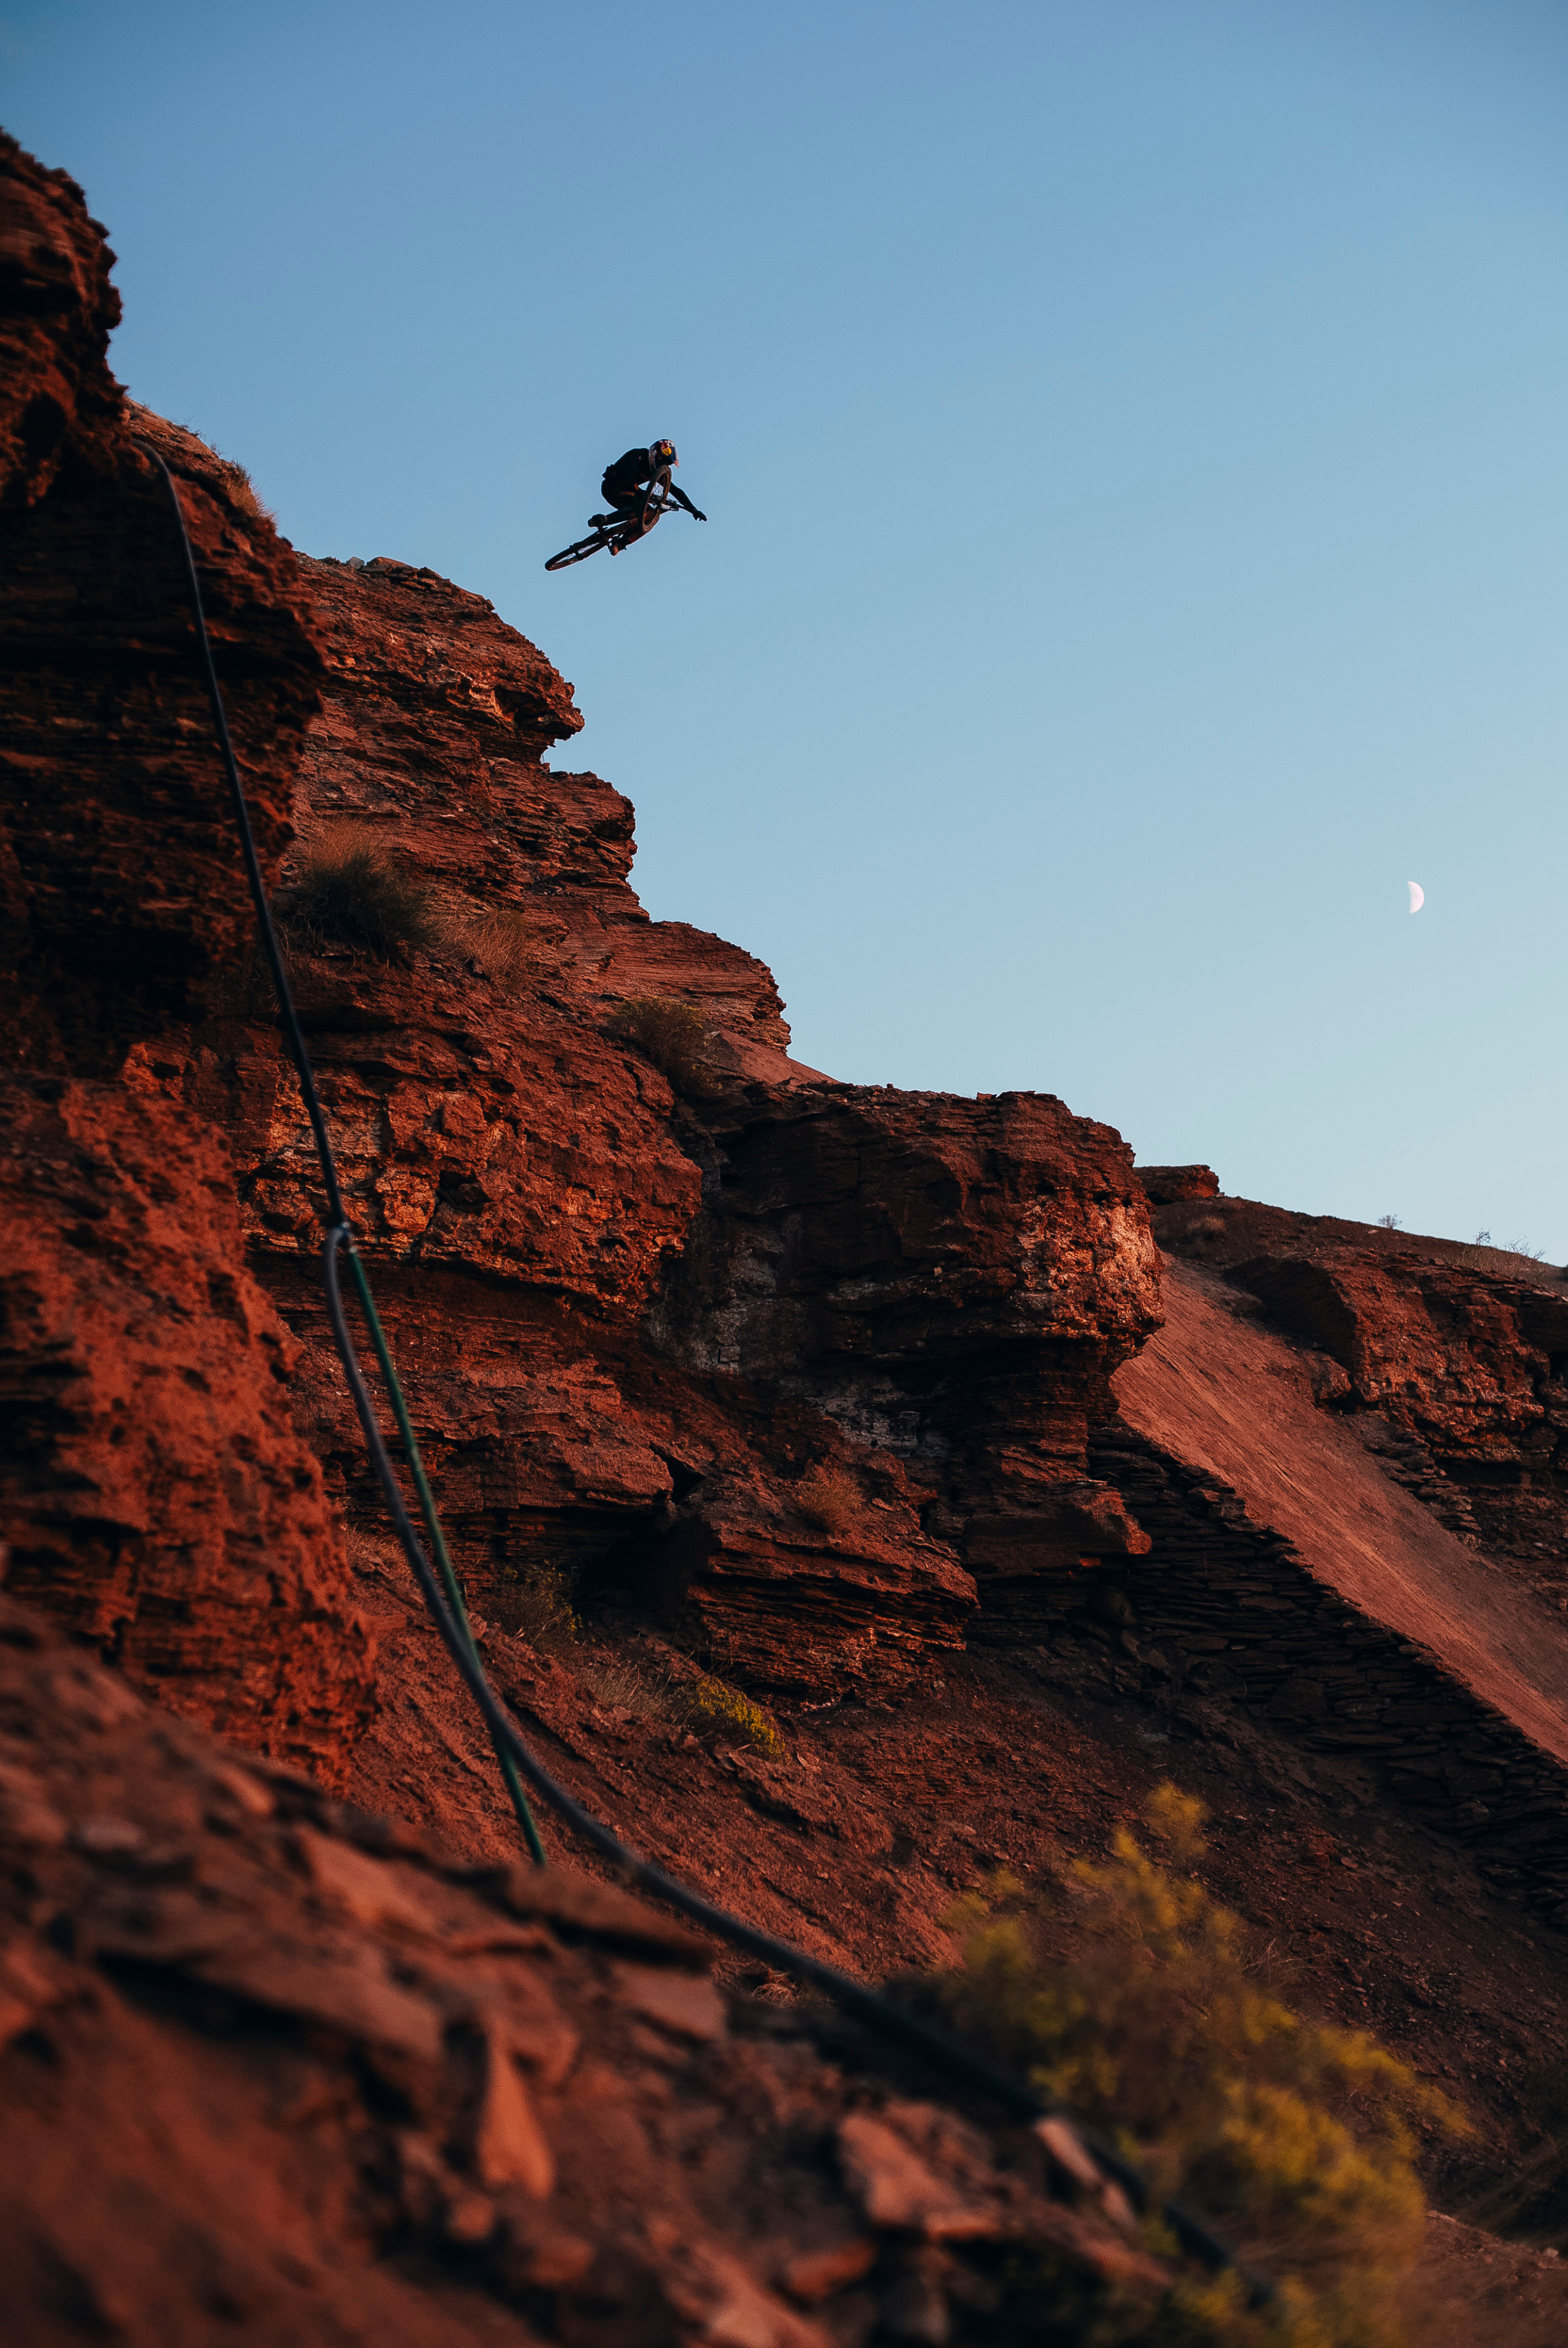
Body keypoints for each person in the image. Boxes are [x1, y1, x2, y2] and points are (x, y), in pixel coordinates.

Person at [594, 438, 707, 532]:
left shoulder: (656, 471)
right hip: (612, 486)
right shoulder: (638, 455)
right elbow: (630, 477)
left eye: (668, 465)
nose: (664, 466)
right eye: (664, 462)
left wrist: (693, 510)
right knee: (640, 508)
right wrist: (642, 494)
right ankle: (604, 520)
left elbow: (676, 491)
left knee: (651, 515)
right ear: (656, 455)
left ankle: (621, 543)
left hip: (627, 492)